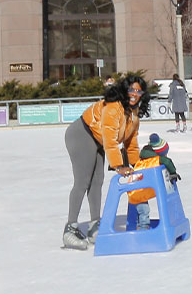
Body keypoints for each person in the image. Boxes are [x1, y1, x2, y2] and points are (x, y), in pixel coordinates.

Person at [63, 74, 149, 249]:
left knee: (97, 182)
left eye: (139, 91)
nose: (134, 94)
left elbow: (131, 143)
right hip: (82, 133)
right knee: (83, 181)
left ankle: (95, 226)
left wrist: (138, 165)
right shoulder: (114, 107)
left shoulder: (133, 113)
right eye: (131, 89)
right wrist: (118, 165)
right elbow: (110, 139)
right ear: (125, 90)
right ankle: (70, 229)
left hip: (97, 140)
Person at [128, 133, 180, 230]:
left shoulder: (145, 159)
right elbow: (168, 162)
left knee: (141, 210)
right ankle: (143, 230)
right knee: (144, 211)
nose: (166, 155)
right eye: (165, 153)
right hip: (137, 190)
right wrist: (173, 172)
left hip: (136, 189)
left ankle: (141, 227)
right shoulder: (157, 159)